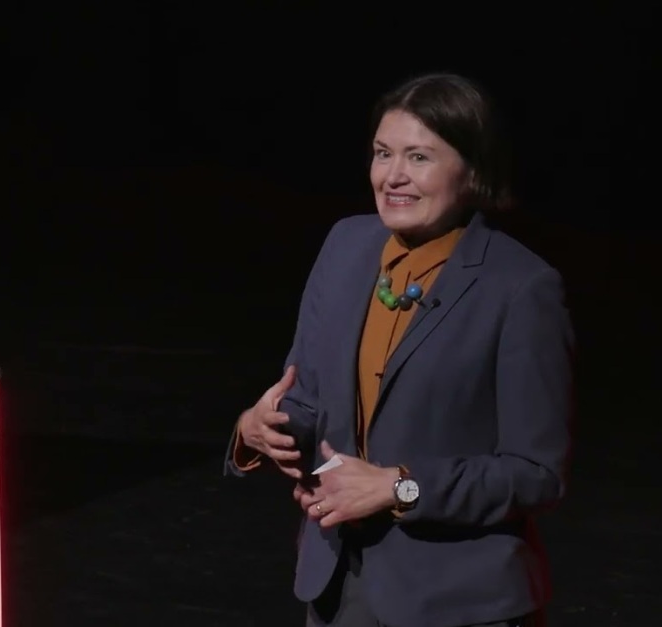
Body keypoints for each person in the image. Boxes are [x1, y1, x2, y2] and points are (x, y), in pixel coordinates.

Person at [224, 72, 575, 627]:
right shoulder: (345, 246)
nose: (393, 176)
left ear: (473, 170)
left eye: (419, 157)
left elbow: (536, 473)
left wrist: (398, 487)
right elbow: (307, 401)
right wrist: (258, 430)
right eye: (383, 153)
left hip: (458, 602)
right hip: (340, 589)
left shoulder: (520, 287)